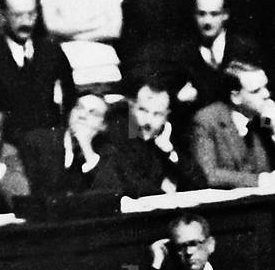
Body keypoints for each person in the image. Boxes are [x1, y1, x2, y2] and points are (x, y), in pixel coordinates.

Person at [0, 0, 74, 144]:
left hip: (47, 142)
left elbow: (70, 97)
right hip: (7, 143)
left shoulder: (51, 51)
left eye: (31, 14)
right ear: (3, 15)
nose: (26, 22)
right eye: (17, 15)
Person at [107, 76, 206, 196]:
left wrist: (169, 151)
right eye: (143, 110)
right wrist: (162, 187)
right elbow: (134, 185)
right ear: (132, 109)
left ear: (166, 117)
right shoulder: (120, 138)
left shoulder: (167, 139)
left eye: (157, 114)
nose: (148, 121)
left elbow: (200, 182)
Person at [190, 60, 275, 189]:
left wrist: (274, 128)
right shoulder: (207, 120)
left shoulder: (264, 119)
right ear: (235, 97)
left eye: (266, 86)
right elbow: (210, 174)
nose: (266, 94)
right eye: (256, 91)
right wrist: (260, 181)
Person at [19, 91, 118, 198]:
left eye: (93, 113)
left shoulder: (107, 151)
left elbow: (110, 194)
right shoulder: (37, 141)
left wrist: (86, 148)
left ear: (103, 125)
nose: (82, 115)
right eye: (79, 108)